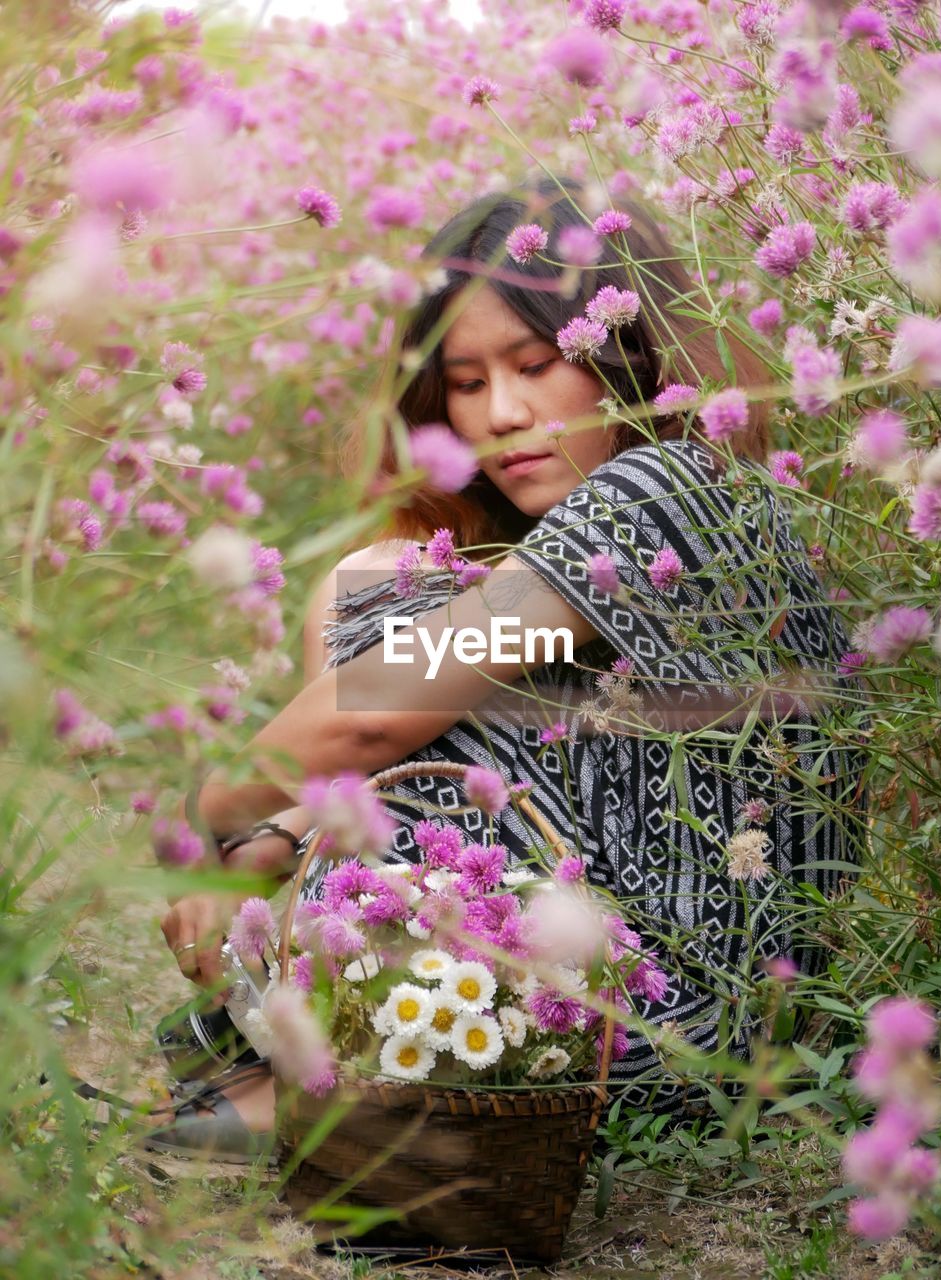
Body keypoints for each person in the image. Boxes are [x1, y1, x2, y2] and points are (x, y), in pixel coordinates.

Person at [152, 176, 868, 1158]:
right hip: (602, 992)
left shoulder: (668, 485)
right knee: (383, 580)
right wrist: (274, 828)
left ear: (626, 351)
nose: (503, 410)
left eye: (537, 362)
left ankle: (354, 1061)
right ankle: (358, 1033)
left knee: (388, 614)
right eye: (465, 381)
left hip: (679, 1026)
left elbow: (372, 718)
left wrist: (208, 830)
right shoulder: (565, 542)